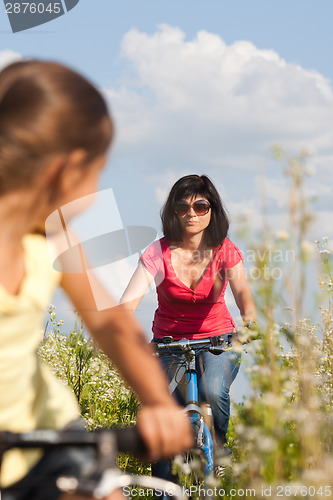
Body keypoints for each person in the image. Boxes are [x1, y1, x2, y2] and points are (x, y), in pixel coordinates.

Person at [0, 60, 193, 500]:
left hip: (48, 437)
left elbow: (109, 322)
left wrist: (159, 402)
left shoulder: (54, 233)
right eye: (97, 172)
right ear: (66, 170)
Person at [121, 174, 256, 476]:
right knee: (162, 416)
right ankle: (163, 488)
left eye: (200, 205)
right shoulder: (157, 253)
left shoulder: (225, 250)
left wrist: (248, 323)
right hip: (168, 343)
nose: (191, 213)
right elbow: (128, 303)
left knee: (213, 388)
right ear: (173, 211)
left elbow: (244, 295)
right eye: (182, 206)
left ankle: (219, 446)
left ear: (212, 210)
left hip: (217, 341)